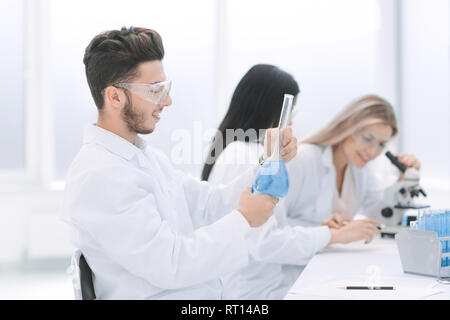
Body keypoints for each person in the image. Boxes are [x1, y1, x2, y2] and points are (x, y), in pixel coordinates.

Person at [61, 27, 298, 300]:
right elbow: (170, 264)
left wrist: (266, 163)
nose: (167, 100)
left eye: (166, 88)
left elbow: (207, 204)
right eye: (154, 90)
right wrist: (243, 219)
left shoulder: (144, 157)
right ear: (114, 96)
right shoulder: (100, 175)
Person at [202, 64, 381, 300]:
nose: (292, 124)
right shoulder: (245, 156)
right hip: (255, 294)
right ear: (270, 109)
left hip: (270, 285)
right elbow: (265, 242)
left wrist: (324, 229)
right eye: (289, 113)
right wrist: (333, 236)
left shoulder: (246, 151)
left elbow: (271, 227)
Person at [287, 94, 421, 230]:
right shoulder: (303, 159)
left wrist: (403, 184)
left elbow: (381, 217)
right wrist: (322, 230)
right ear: (347, 128)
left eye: (381, 144)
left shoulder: (360, 168)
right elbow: (270, 226)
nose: (372, 152)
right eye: (368, 139)